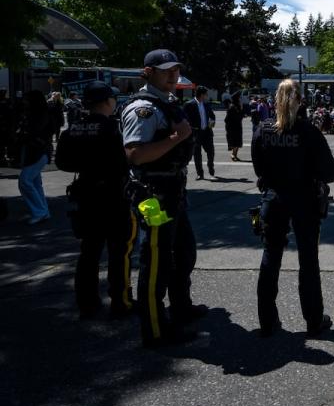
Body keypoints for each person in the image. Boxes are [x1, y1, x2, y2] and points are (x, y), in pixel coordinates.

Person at [122, 49, 204, 347]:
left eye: (176, 69)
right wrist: (177, 138)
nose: (173, 74)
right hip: (153, 196)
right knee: (155, 262)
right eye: (166, 70)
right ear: (149, 72)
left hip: (172, 192)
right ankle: (155, 330)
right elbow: (135, 155)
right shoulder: (142, 109)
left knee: (184, 253)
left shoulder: (166, 103)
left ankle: (181, 308)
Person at [252, 79, 334, 337]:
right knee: (308, 260)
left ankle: (267, 320)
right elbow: (330, 172)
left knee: (271, 257)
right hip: (303, 200)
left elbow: (258, 168)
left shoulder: (263, 130)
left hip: (274, 198)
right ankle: (313, 319)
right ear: (300, 101)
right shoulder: (308, 132)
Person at [55, 82, 136, 318]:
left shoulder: (74, 127)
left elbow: (62, 162)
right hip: (112, 196)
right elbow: (122, 164)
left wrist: (86, 166)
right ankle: (120, 301)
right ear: (107, 101)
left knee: (88, 252)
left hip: (86, 194)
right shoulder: (110, 128)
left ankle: (87, 303)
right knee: (118, 252)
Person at [16, 90, 52, 224]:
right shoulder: (37, 113)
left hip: (37, 151)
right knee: (35, 183)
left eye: (26, 99)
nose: (24, 102)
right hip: (36, 151)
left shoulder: (39, 114)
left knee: (25, 181)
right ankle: (43, 211)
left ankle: (40, 211)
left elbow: (33, 132)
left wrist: (22, 134)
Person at [184, 86, 216, 180]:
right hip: (195, 133)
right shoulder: (189, 104)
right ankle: (200, 173)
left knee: (210, 152)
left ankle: (210, 166)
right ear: (202, 95)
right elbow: (184, 118)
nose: (207, 96)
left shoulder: (206, 104)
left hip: (207, 132)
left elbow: (212, 115)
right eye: (206, 94)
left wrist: (212, 124)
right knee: (197, 154)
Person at [224, 96, 245, 161]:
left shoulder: (237, 106)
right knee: (235, 142)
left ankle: (235, 155)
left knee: (238, 142)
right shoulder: (232, 107)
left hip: (238, 127)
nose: (240, 100)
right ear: (237, 100)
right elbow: (227, 119)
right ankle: (233, 154)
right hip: (233, 128)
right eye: (239, 99)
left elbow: (240, 116)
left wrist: (241, 111)